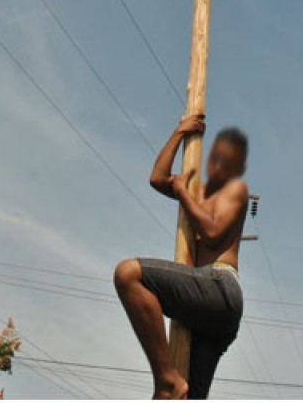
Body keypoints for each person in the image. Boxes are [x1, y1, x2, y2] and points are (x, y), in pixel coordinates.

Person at [114, 115, 248, 400]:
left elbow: (211, 232)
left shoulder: (235, 190)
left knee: (129, 274)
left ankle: (166, 379)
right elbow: (158, 178)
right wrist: (179, 132)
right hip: (207, 306)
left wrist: (182, 194)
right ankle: (173, 387)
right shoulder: (197, 191)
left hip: (219, 287)